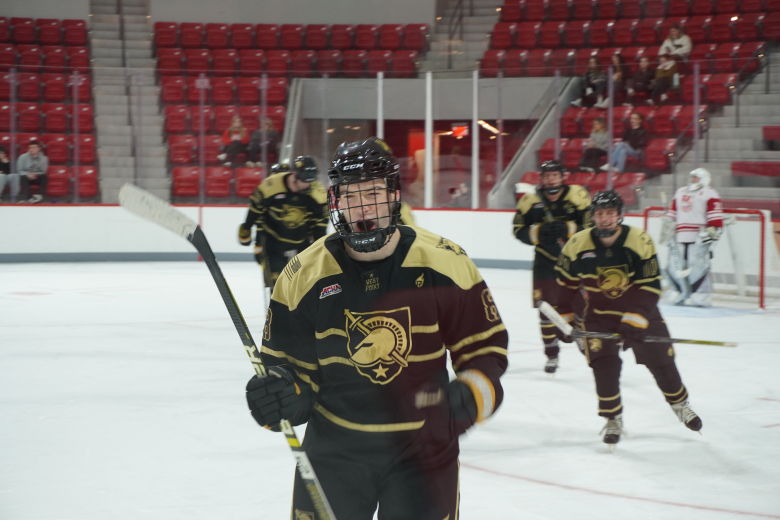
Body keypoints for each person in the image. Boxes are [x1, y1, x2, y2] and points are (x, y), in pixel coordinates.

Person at [245, 137, 508, 519]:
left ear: (394, 196)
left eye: (373, 192)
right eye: (351, 195)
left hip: (423, 453)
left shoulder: (445, 263)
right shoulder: (302, 276)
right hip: (334, 454)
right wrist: (280, 397)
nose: (363, 206)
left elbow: (486, 351)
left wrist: (472, 394)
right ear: (336, 203)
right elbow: (291, 373)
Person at [555, 190, 702, 447]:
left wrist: (634, 320)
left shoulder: (639, 240)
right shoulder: (577, 244)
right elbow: (565, 286)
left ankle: (680, 405)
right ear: (593, 217)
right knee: (605, 366)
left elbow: (650, 286)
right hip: (599, 315)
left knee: (661, 360)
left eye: (610, 213)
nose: (605, 219)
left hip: (640, 312)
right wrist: (566, 319)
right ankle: (613, 418)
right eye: (599, 214)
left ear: (619, 215)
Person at [513, 160, 591, 374]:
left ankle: (579, 336)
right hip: (544, 262)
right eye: (547, 176)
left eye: (555, 175)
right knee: (545, 310)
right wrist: (536, 234)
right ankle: (552, 355)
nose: (551, 179)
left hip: (573, 263)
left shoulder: (577, 196)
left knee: (581, 305)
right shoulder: (530, 201)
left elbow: (592, 225)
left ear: (562, 177)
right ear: (542, 179)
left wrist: (569, 228)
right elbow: (518, 229)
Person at [237, 156, 328, 291]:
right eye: (304, 180)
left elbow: (320, 226)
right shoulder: (271, 186)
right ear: (294, 174)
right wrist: (247, 231)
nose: (307, 185)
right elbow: (255, 211)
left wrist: (319, 252)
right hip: (273, 246)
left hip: (300, 247)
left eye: (310, 181)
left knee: (300, 290)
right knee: (278, 290)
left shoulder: (318, 193)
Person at [659, 168, 723, 307]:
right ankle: (676, 291)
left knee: (698, 266)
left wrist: (712, 229)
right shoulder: (680, 192)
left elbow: (715, 216)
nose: (692, 179)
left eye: (696, 177)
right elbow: (672, 213)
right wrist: (668, 226)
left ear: (704, 178)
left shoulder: (709, 193)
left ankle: (701, 295)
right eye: (692, 177)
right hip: (680, 235)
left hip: (699, 236)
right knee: (674, 265)